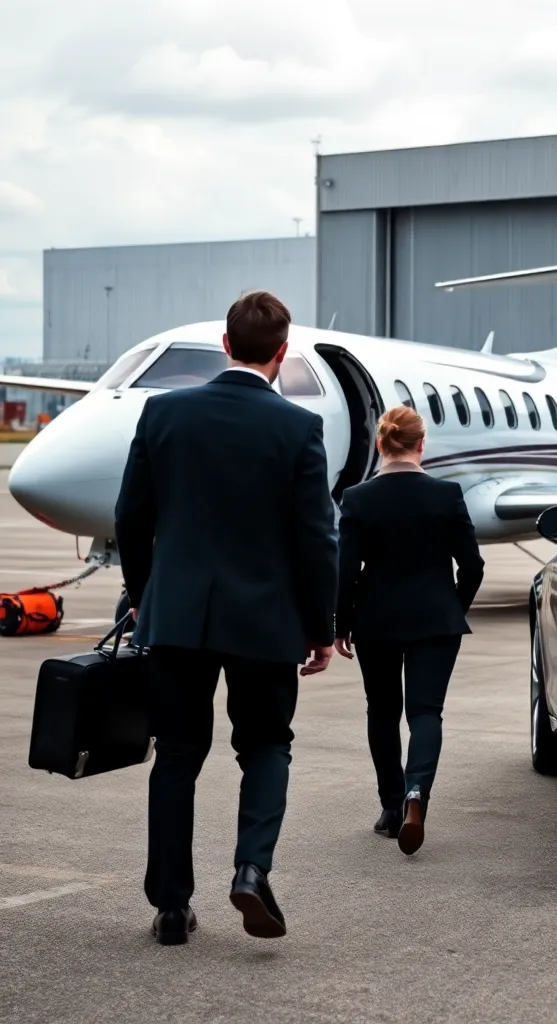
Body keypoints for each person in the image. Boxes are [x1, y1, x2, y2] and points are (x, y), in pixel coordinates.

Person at [114, 290, 339, 946]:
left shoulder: (164, 413)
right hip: (266, 622)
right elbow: (317, 538)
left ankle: (170, 908)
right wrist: (321, 626)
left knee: (178, 755)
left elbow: (132, 517)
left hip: (177, 619)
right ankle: (250, 869)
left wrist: (144, 594)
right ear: (281, 353)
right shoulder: (298, 429)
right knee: (266, 745)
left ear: (226, 346)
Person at [335, 405, 484, 855]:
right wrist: (452, 608)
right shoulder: (447, 494)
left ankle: (390, 806)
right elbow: (473, 565)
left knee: (381, 711)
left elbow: (344, 569)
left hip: (376, 620)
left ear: (381, 444)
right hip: (436, 620)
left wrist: (341, 624)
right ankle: (417, 791)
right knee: (425, 713)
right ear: (422, 445)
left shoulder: (358, 499)